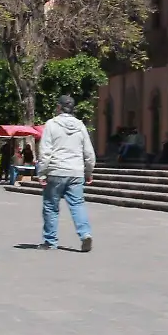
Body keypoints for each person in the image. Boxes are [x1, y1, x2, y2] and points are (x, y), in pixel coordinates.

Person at [37, 95, 96, 252]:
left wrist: (42, 172)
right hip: (76, 172)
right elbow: (89, 152)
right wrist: (88, 171)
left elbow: (45, 151)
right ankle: (85, 234)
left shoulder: (51, 124)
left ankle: (50, 241)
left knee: (51, 206)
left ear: (58, 107)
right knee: (77, 205)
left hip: (56, 170)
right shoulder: (81, 126)